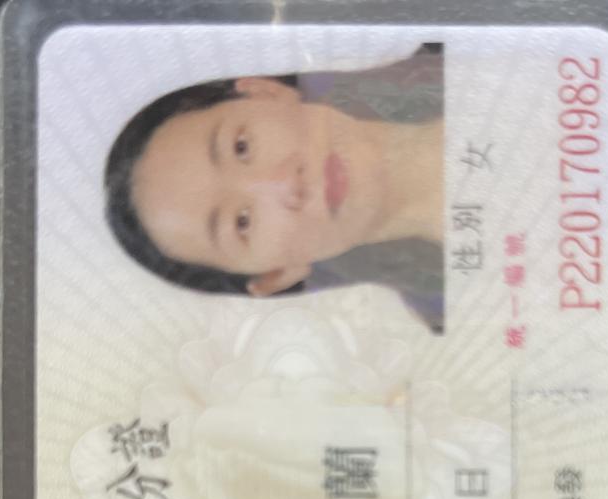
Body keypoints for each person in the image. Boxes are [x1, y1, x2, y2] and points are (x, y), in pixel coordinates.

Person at [104, 44, 445, 333]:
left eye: (241, 147)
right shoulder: (462, 327)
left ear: (266, 93)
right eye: (242, 222)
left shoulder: (458, 32)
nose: (282, 182)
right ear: (276, 275)